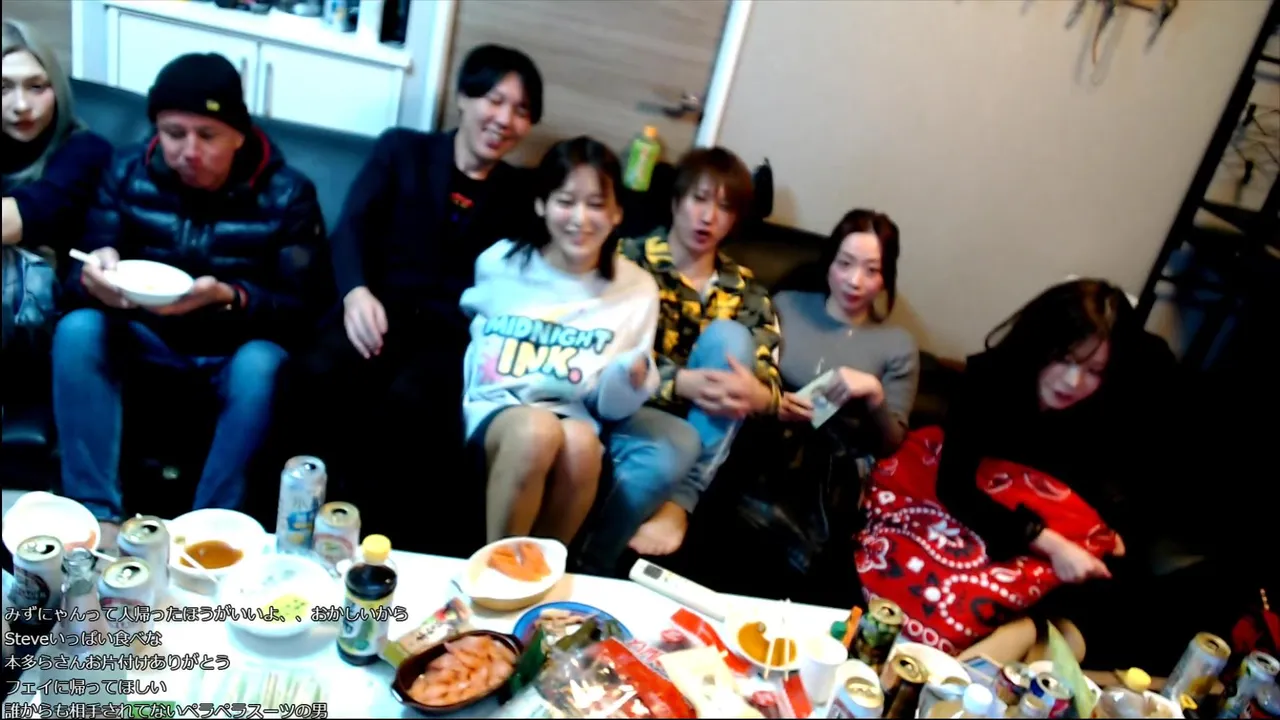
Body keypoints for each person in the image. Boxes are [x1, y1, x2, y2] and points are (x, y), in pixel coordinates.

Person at [51, 53, 328, 550]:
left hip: (231, 348)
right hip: (144, 335)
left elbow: (304, 308)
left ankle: (206, 531)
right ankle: (97, 518)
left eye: (208, 135)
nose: (189, 152)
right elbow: (80, 271)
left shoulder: (288, 193)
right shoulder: (126, 171)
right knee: (79, 329)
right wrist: (94, 276)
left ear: (239, 134)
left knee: (262, 363)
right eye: (174, 133)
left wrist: (230, 296)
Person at [281, 45, 542, 552]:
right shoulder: (403, 151)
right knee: (315, 372)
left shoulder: (519, 194)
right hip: (376, 309)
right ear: (463, 98)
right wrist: (355, 292)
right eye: (494, 100)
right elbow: (351, 226)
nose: (505, 119)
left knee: (415, 405)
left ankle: (375, 549)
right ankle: (293, 527)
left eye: (522, 110)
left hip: (449, 338)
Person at [855, 279, 1178, 657]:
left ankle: (1024, 644)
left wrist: (1107, 535)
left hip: (1050, 530)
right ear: (1039, 344)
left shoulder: (1109, 406)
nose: (1073, 381)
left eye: (1093, 370)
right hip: (980, 512)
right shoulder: (988, 379)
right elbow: (956, 488)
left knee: (1118, 588)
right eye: (1065, 359)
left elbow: (1112, 490)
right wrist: (1051, 544)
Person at [576, 147, 780, 573]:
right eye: (699, 199)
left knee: (730, 337)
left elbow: (769, 377)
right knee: (675, 442)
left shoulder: (748, 291)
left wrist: (758, 395)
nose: (708, 217)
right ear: (675, 201)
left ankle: (677, 501)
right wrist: (678, 382)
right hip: (624, 406)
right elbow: (601, 349)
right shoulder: (627, 260)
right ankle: (590, 563)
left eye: (724, 207)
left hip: (701, 427)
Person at [460, 136, 659, 545]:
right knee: (537, 431)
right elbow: (469, 331)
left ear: (617, 213)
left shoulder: (637, 289)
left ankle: (545, 573)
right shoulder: (500, 264)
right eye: (565, 201)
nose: (580, 219)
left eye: (596, 204)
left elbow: (611, 407)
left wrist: (633, 378)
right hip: (499, 408)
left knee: (583, 444)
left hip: (576, 415)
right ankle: (496, 569)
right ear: (541, 204)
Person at [2, 20, 112, 352]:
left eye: (36, 87)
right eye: (3, 88)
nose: (22, 105)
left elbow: (17, 219)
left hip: (48, 315)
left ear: (57, 88)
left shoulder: (84, 150)